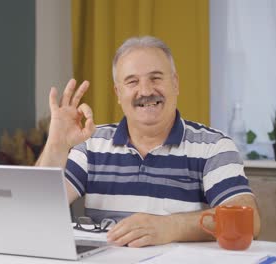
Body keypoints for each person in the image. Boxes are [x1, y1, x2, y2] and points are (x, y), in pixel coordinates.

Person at [36, 36, 260, 247]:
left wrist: (171, 226)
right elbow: (36, 208)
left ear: (175, 83)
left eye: (155, 78)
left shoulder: (214, 147)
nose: (145, 90)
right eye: (132, 82)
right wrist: (57, 144)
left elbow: (248, 222)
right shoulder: (91, 143)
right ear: (118, 93)